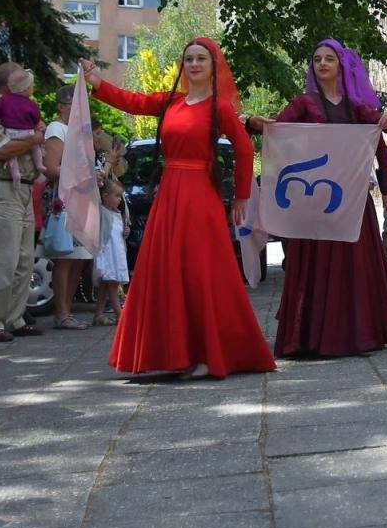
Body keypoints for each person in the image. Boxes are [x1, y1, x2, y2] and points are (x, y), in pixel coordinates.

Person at [83, 39, 275, 376]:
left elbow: (245, 150)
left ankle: (206, 353)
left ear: (214, 65)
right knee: (166, 268)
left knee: (199, 269)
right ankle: (172, 353)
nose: (195, 64)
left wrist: (242, 196)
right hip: (169, 194)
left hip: (200, 194)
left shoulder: (221, 108)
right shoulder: (170, 102)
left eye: (201, 59)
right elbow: (133, 101)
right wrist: (98, 82)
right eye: (189, 59)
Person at [260, 39, 387, 358]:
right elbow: (278, 130)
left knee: (353, 264)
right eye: (316, 59)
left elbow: (381, 138)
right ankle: (311, 333)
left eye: (329, 58)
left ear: (341, 65)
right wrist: (252, 123)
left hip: (352, 199)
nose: (322, 63)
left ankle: (356, 330)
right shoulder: (303, 104)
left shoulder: (356, 107)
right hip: (316, 200)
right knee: (315, 262)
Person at [0, 62, 47, 343]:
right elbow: (1, 150)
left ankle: (14, 318)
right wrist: (35, 138)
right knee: (3, 260)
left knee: (24, 260)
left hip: (23, 188)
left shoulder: (20, 107)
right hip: (1, 187)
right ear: (11, 85)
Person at [40, 87, 94, 330]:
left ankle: (67, 311)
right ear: (62, 106)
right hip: (65, 201)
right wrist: (83, 172)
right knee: (64, 258)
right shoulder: (56, 129)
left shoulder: (77, 132)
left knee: (79, 259)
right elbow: (51, 169)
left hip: (81, 200)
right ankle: (61, 313)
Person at [92, 179, 130, 325]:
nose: (120, 199)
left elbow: (118, 233)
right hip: (108, 255)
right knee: (112, 285)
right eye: (117, 196)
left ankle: (98, 314)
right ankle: (120, 315)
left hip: (116, 254)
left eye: (120, 196)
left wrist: (125, 232)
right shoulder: (101, 211)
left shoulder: (117, 213)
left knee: (105, 286)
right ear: (105, 196)